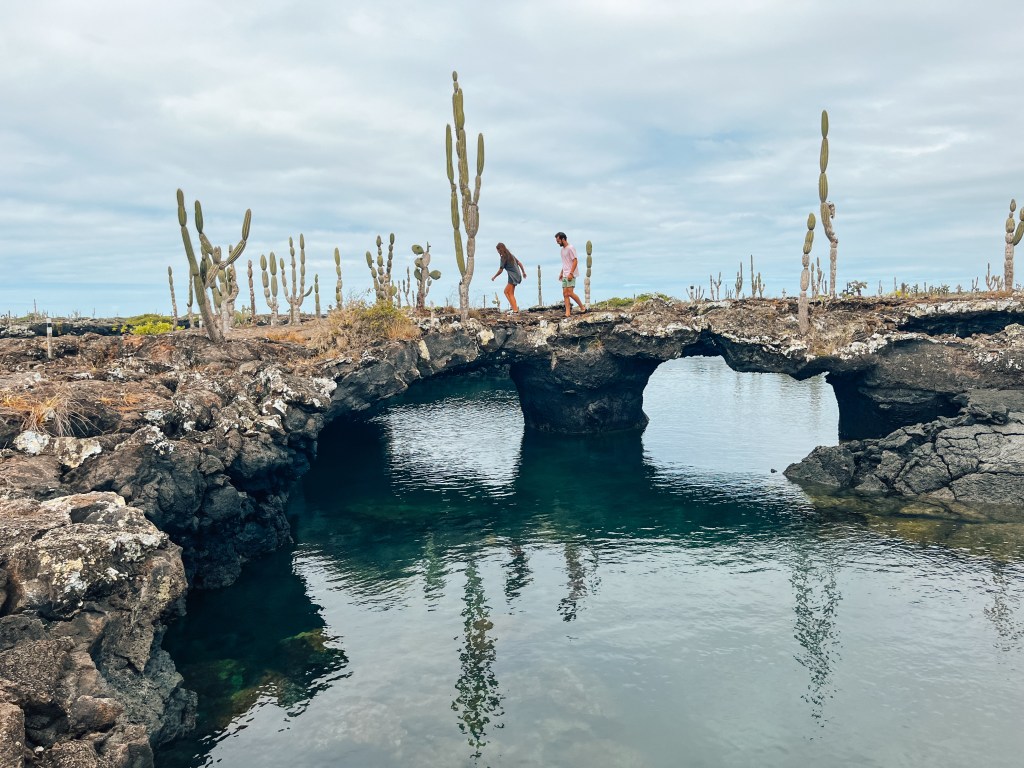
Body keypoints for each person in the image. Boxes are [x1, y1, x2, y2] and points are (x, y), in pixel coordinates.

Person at [555, 232, 586, 317]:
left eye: (558, 241)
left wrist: (571, 273)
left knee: (570, 293)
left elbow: (575, 261)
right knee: (565, 294)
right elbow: (565, 263)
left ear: (563, 239)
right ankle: (567, 313)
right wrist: (561, 273)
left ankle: (582, 307)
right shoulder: (562, 250)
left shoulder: (570, 248)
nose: (557, 242)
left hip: (571, 274)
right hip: (565, 274)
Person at [491, 242, 526, 313]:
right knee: (510, 293)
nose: (497, 252)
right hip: (516, 275)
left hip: (513, 276)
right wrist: (523, 272)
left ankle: (515, 310)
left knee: (507, 292)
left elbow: (501, 270)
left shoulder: (503, 257)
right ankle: (514, 308)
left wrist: (494, 277)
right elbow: (519, 263)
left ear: (499, 250)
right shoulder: (511, 255)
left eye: (497, 250)